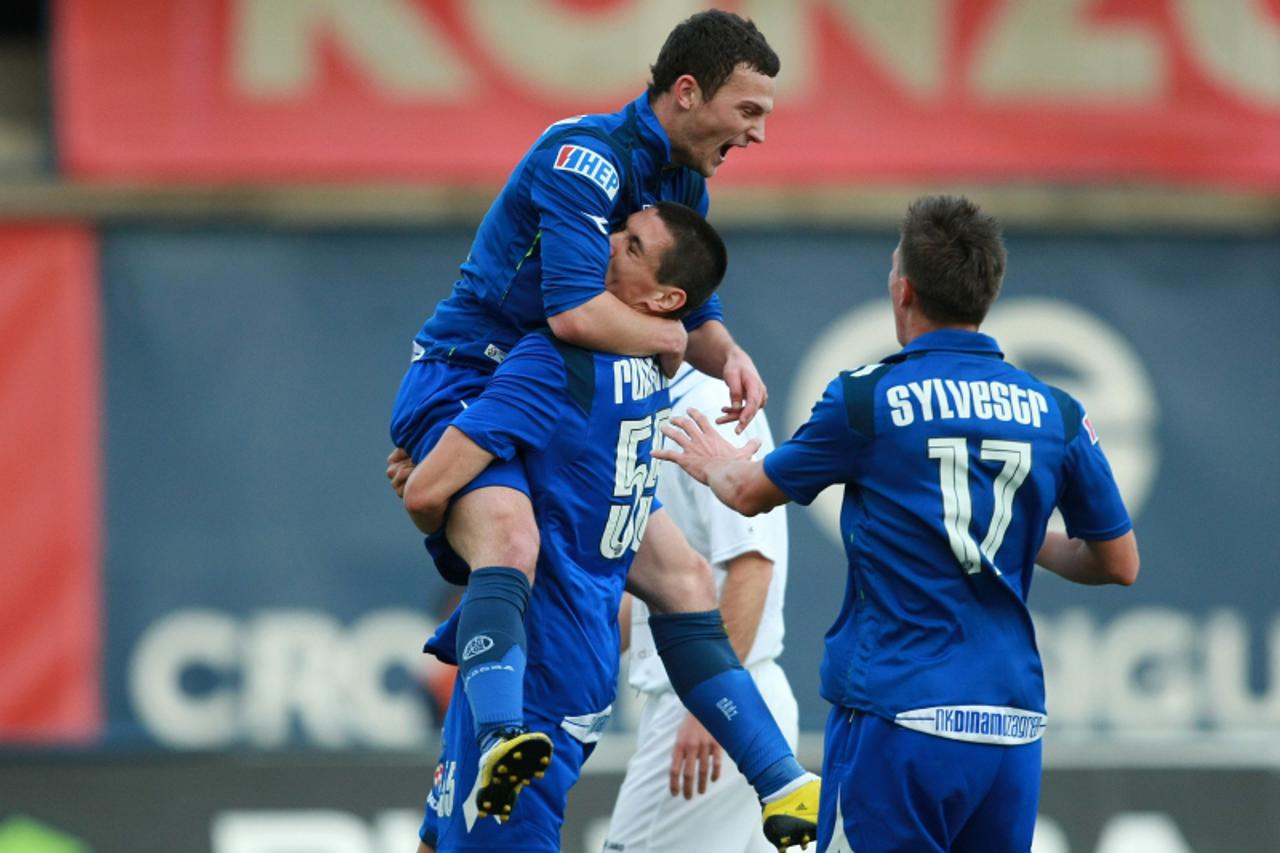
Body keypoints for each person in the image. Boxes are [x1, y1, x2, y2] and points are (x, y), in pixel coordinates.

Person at [388, 9, 817, 848]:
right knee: (513, 537)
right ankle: (505, 731)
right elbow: (579, 314)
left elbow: (690, 305)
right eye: (750, 110)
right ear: (687, 93)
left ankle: (780, 776)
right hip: (474, 374)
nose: (759, 133)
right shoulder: (583, 158)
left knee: (684, 577)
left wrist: (724, 353)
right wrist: (671, 342)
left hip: (558, 405)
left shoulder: (680, 185)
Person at [655, 195, 1140, 853]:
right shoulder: (1058, 410)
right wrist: (1023, 542)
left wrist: (714, 465)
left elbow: (748, 493)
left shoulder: (868, 397)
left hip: (900, 714)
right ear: (987, 292)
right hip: (1010, 725)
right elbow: (1118, 562)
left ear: (904, 289)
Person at [605, 365, 799, 853]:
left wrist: (713, 711)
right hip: (724, 696)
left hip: (718, 699)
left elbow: (752, 567)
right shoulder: (657, 401)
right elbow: (661, 589)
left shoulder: (711, 401)